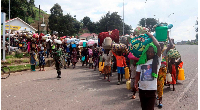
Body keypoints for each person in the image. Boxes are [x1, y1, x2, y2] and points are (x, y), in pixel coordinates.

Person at [134, 32, 161, 110]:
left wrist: (151, 36)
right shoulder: (141, 61)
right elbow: (137, 74)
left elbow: (158, 46)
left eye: (152, 52)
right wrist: (135, 83)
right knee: (144, 108)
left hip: (151, 90)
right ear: (146, 51)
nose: (150, 53)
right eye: (148, 51)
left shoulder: (156, 60)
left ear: (154, 52)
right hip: (142, 89)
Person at [157, 36, 173, 108]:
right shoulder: (154, 51)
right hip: (154, 71)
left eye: (162, 45)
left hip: (162, 71)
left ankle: (160, 100)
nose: (160, 47)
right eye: (159, 45)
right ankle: (155, 96)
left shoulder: (165, 51)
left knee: (160, 85)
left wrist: (168, 36)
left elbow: (171, 45)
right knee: (154, 85)